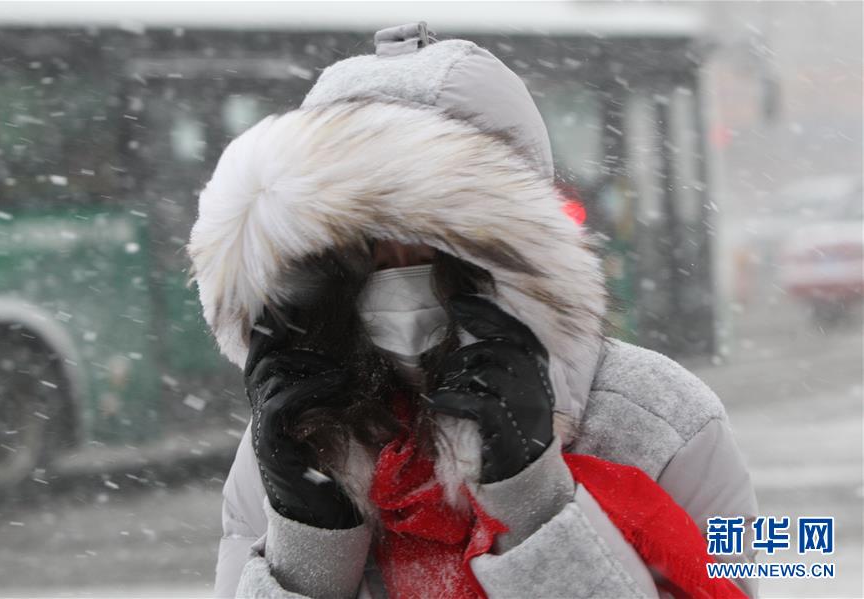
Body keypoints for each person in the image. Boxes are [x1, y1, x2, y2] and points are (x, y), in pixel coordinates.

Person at [188, 22, 758, 599]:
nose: (397, 269)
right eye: (364, 244)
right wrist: (309, 541)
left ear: (509, 250)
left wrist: (534, 502)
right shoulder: (292, 434)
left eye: (433, 240)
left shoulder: (663, 422)